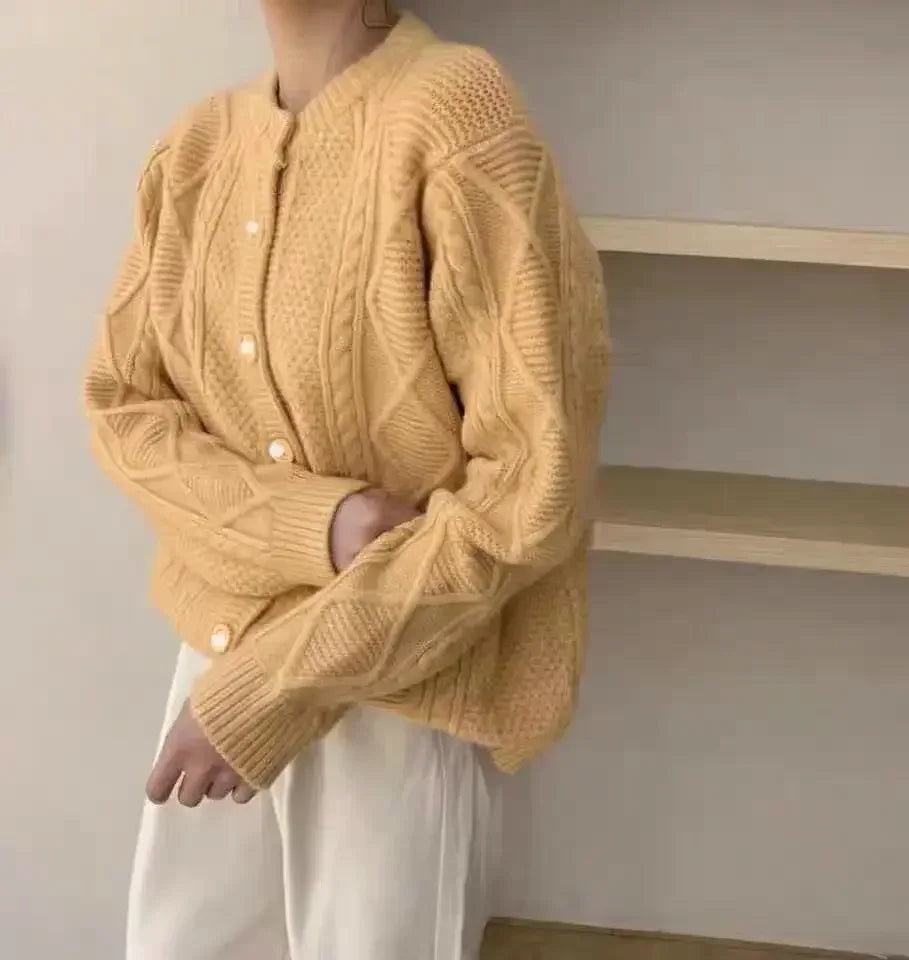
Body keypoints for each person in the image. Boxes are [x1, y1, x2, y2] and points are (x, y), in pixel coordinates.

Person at [84, 1, 609, 957]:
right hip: (215, 667)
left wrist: (277, 689)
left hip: (398, 690)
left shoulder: (456, 111)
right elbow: (124, 408)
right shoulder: (194, 148)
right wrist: (313, 527)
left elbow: (532, 485)